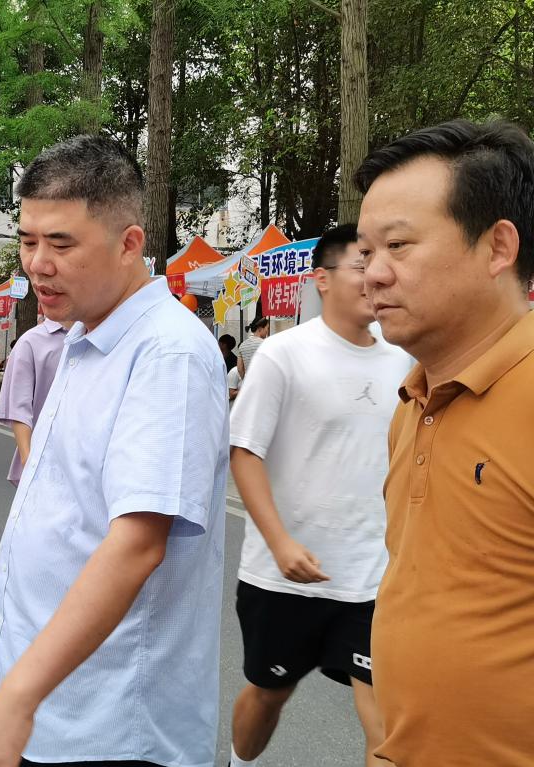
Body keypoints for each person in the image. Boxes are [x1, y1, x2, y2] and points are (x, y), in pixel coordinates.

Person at [0, 136, 228, 767]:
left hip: (110, 725)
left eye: (61, 243)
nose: (37, 264)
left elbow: (136, 544)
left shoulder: (167, 354)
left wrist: (16, 700)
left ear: (129, 243)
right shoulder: (85, 337)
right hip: (53, 710)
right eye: (27, 241)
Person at [356, 120, 534, 766]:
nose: (373, 275)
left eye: (398, 245)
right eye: (365, 252)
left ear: (497, 247)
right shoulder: (414, 402)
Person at [227, 224, 412, 767]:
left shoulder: (402, 359)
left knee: (385, 719)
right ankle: (240, 761)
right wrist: (280, 543)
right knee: (268, 695)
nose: (374, 276)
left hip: (373, 577)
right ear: (322, 279)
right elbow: (245, 452)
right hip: (285, 577)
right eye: (360, 264)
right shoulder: (284, 354)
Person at [0, 317, 71, 485]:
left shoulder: (98, 336)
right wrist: (27, 459)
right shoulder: (30, 342)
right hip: (45, 463)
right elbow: (19, 408)